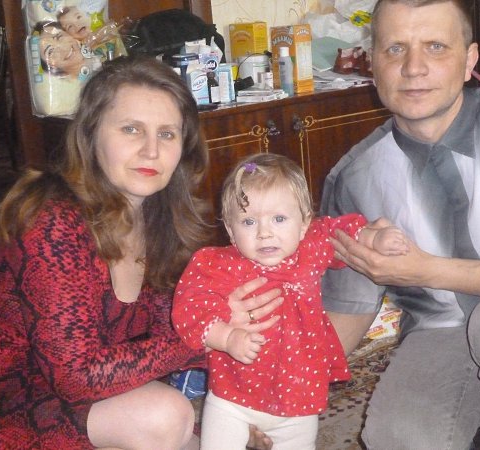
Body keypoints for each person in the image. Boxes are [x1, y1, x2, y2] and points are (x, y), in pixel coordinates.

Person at [0, 55, 280, 449]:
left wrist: (244, 399)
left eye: (167, 134)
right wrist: (209, 334)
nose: (151, 150)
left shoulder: (160, 220)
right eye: (131, 129)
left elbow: (169, 335)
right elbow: (78, 377)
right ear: (91, 134)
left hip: (91, 402)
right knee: (165, 416)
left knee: (214, 433)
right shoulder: (51, 220)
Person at [320, 0, 480, 449]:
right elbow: (347, 308)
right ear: (372, 65)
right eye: (395, 49)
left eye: (435, 46)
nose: (414, 68)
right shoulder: (354, 178)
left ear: (469, 61)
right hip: (442, 330)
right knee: (396, 434)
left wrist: (426, 270)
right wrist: (276, 393)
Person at [172, 153, 408, 450]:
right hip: (232, 398)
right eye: (248, 221)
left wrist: (374, 239)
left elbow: (339, 231)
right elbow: (190, 307)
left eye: (279, 219)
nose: (264, 233)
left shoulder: (311, 247)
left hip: (299, 399)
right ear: (230, 230)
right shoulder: (218, 265)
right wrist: (226, 336)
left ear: (304, 222)